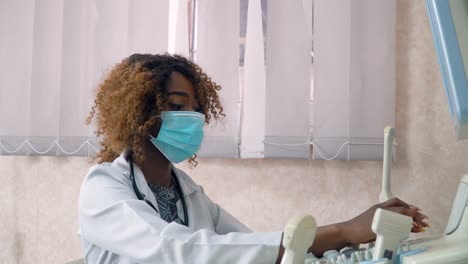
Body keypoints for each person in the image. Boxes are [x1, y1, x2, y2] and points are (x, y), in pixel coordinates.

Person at [79, 53, 428, 264]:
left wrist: (357, 236)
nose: (193, 118)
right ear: (139, 110)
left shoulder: (186, 191)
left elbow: (254, 249)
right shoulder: (104, 187)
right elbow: (182, 252)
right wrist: (343, 229)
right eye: (176, 106)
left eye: (198, 109)